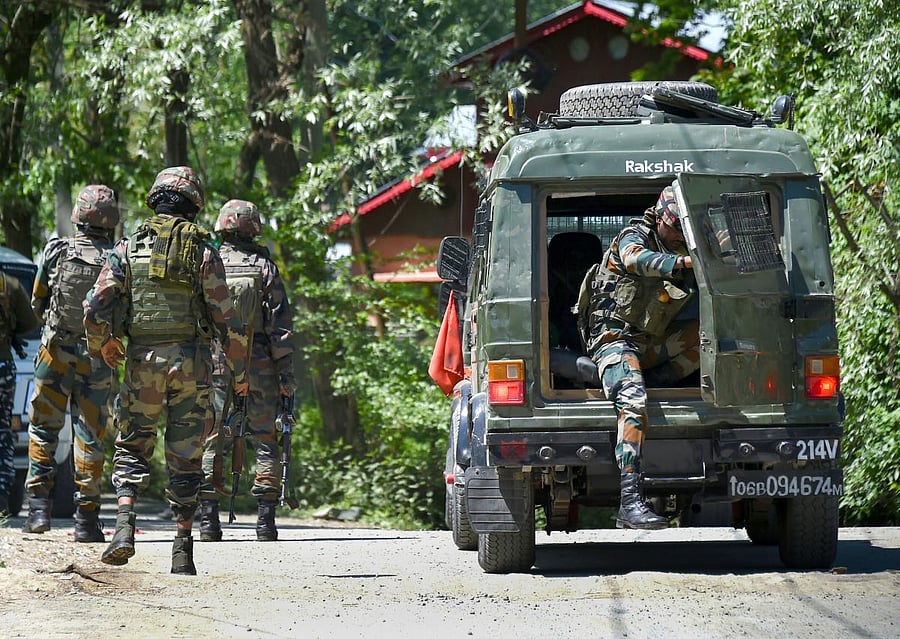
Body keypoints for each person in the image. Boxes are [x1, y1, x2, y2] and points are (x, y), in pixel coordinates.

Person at [83, 166, 249, 575]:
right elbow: (227, 320)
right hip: (192, 365)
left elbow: (94, 307)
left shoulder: (125, 249)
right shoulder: (205, 252)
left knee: (132, 446)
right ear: (194, 204)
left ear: (155, 200)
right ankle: (182, 549)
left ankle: (124, 527)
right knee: (186, 456)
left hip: (142, 364)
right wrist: (241, 374)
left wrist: (103, 343)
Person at [579, 185, 700, 530]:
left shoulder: (677, 241)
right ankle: (630, 502)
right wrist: (682, 262)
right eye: (676, 230)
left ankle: (657, 380)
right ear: (659, 218)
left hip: (647, 345)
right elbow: (636, 259)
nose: (679, 238)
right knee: (633, 402)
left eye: (683, 232)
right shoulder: (631, 238)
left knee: (707, 338)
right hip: (613, 341)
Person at [22, 185, 119, 541]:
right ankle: (85, 522)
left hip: (54, 353)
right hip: (97, 358)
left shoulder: (56, 250)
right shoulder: (117, 258)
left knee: (44, 429)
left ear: (79, 215)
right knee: (90, 435)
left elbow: (37, 302)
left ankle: (37, 513)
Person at [199, 199, 295, 542]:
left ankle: (208, 522)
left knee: (211, 438)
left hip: (216, 361)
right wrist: (286, 376)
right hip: (260, 363)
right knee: (266, 439)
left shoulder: (208, 263)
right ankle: (265, 523)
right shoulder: (264, 268)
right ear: (253, 228)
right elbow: (279, 328)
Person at [0, 268, 39, 516]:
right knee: (3, 431)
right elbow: (30, 323)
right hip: (2, 365)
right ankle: (2, 499)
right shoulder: (9, 284)